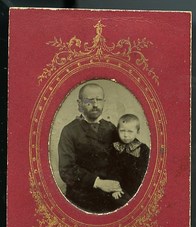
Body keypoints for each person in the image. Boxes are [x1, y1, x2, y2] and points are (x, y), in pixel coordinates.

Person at [58, 83, 125, 213]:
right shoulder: (69, 131)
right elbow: (66, 170)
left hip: (111, 194)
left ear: (104, 102)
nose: (95, 105)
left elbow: (122, 159)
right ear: (79, 103)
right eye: (89, 100)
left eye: (99, 100)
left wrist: (115, 185)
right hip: (82, 197)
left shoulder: (111, 128)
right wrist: (98, 183)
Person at [109, 114, 150, 200]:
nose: (125, 135)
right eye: (122, 131)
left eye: (130, 131)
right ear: (117, 130)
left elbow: (146, 171)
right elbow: (112, 170)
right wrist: (115, 189)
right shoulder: (115, 148)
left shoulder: (143, 149)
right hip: (120, 189)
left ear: (137, 131)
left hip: (139, 188)